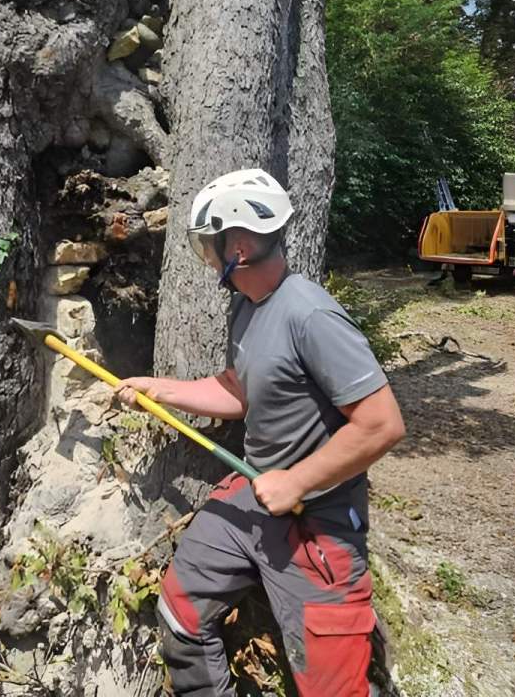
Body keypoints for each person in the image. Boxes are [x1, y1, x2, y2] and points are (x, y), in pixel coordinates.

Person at [116, 168, 405, 697]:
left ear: (241, 245)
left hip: (316, 526)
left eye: (212, 242)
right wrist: (162, 390)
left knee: (334, 688)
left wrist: (296, 483)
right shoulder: (249, 309)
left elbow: (383, 423)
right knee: (180, 610)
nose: (208, 255)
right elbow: (239, 390)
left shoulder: (311, 315)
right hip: (253, 502)